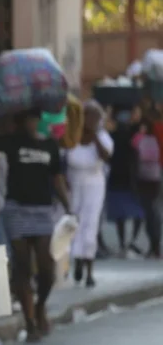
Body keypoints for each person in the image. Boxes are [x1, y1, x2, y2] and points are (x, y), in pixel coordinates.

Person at [0, 109, 71, 342]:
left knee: (47, 269)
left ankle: (40, 306)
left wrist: (69, 206)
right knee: (22, 266)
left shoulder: (50, 145)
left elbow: (56, 177)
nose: (32, 122)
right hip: (17, 208)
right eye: (27, 118)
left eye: (34, 118)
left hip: (42, 210)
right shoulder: (11, 142)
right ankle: (30, 322)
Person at [67, 102, 114, 286]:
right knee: (74, 223)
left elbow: (106, 156)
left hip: (94, 184)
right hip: (74, 184)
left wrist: (94, 137)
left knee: (90, 224)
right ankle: (76, 261)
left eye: (95, 117)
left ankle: (89, 270)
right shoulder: (72, 138)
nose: (90, 120)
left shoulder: (102, 137)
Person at [105, 105, 144, 257]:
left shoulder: (117, 135)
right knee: (133, 214)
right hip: (127, 178)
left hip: (122, 178)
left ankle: (126, 243)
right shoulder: (128, 135)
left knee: (126, 215)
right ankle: (128, 243)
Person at [133, 110, 162, 258]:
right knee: (153, 212)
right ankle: (154, 246)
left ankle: (154, 245)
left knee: (150, 213)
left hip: (146, 179)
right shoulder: (154, 138)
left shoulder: (140, 139)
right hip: (153, 178)